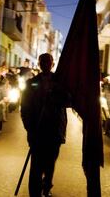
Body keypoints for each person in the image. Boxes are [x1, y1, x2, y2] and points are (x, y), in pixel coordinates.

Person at [21, 53, 70, 197]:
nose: (46, 65)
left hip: (55, 130)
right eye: (43, 62)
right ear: (39, 64)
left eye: (48, 62)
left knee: (50, 162)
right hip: (37, 130)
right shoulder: (31, 83)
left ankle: (47, 186)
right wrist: (29, 128)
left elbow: (68, 101)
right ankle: (34, 192)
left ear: (52, 64)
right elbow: (24, 107)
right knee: (36, 164)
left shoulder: (61, 82)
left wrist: (55, 95)